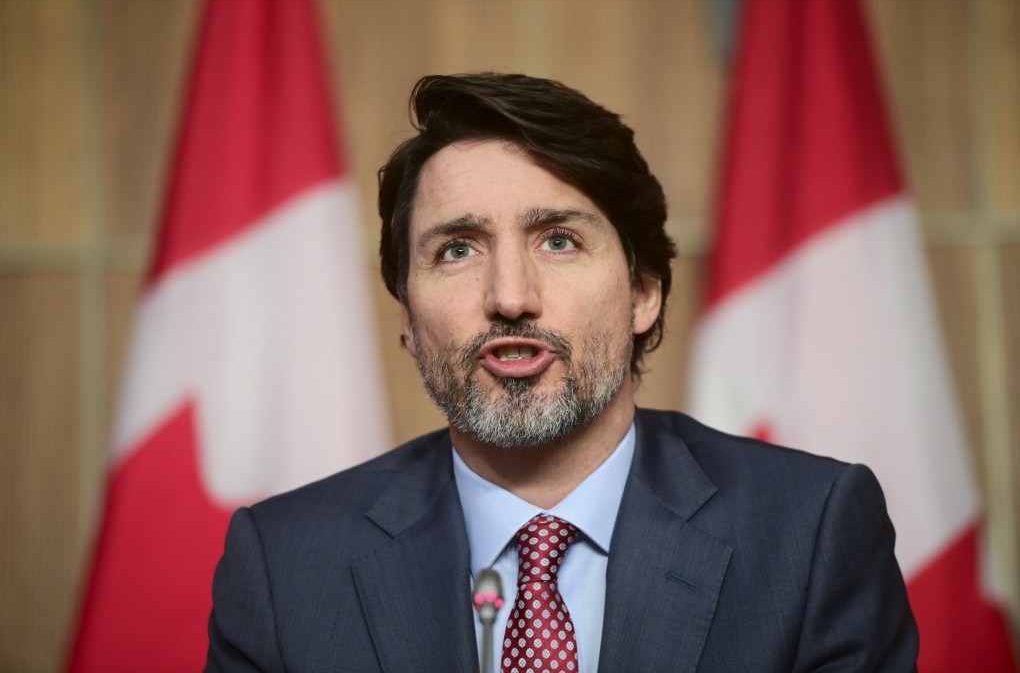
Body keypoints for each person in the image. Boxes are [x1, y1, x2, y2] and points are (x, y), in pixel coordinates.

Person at [206, 73, 918, 672]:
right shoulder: (283, 566)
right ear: (406, 316)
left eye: (558, 240)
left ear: (643, 292)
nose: (510, 296)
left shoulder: (811, 532)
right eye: (457, 250)